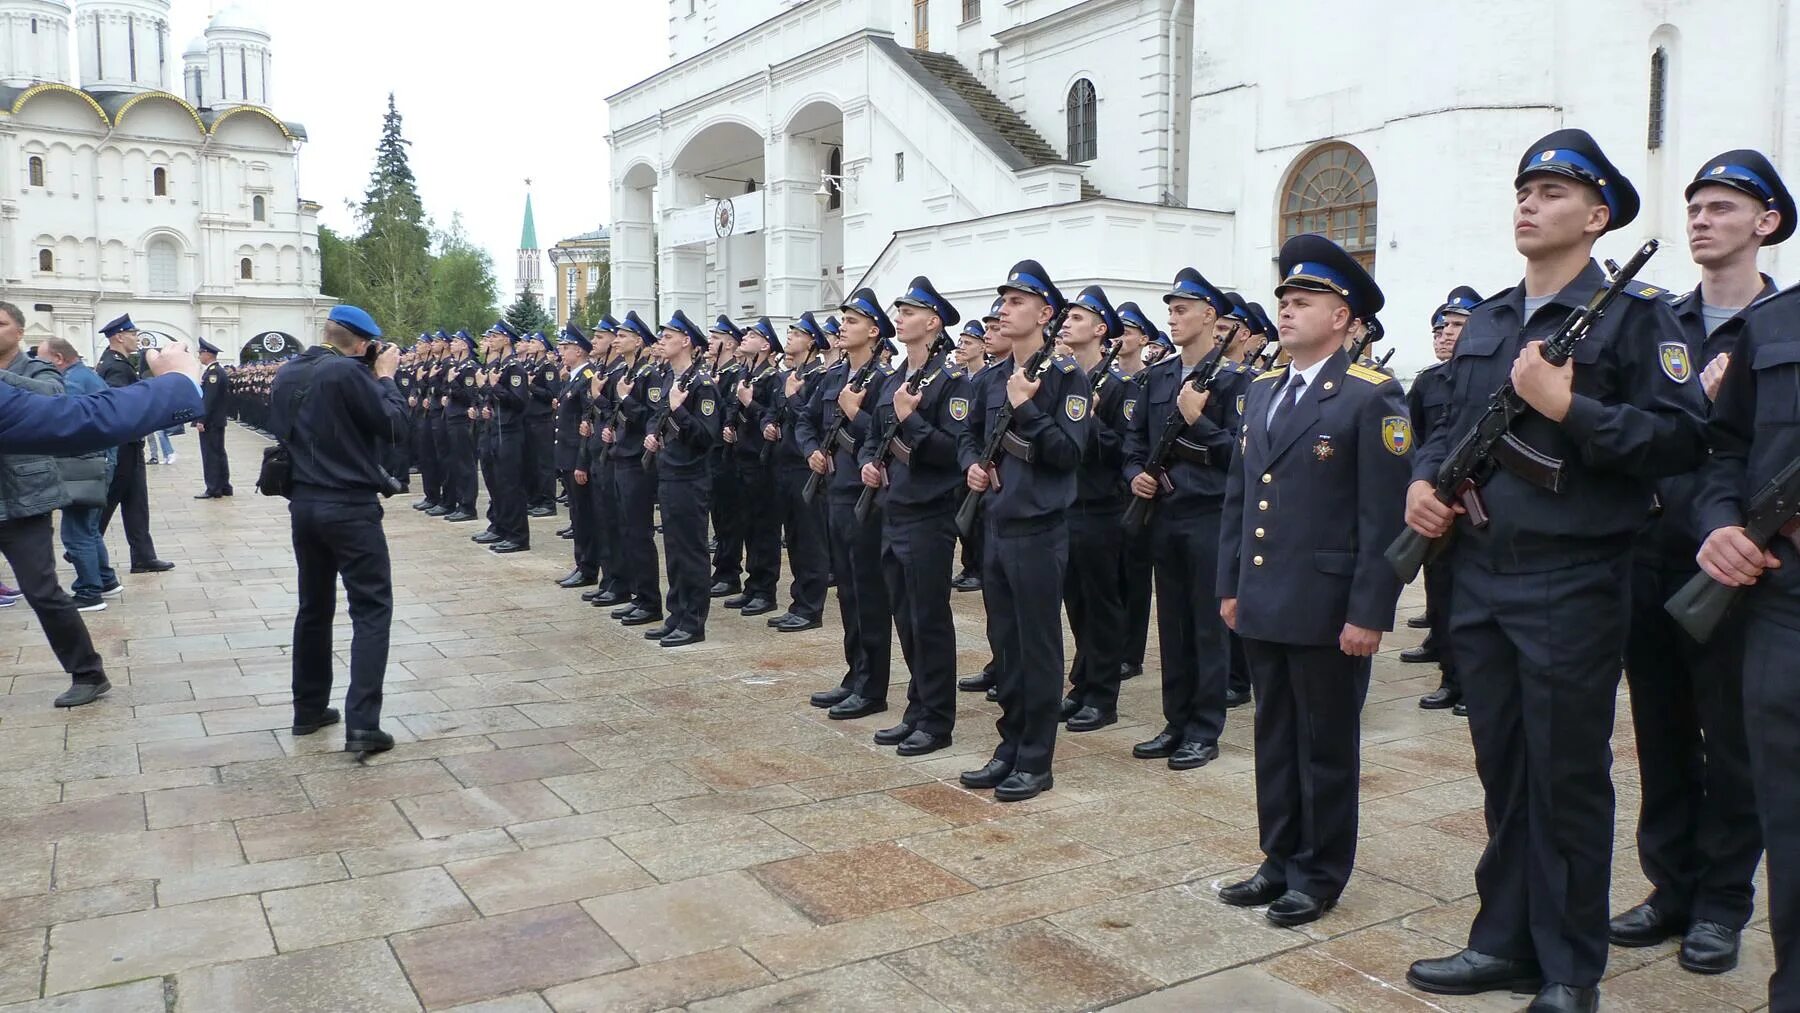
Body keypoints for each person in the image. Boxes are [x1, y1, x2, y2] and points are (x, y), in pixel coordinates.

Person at [1403, 130, 1707, 1013]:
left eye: (1553, 190)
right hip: (1481, 574)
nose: (1529, 203)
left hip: (1575, 576)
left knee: (1566, 773)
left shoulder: (1640, 314)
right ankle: (1504, 939)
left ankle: (1571, 966)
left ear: (1598, 214)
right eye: (1524, 188)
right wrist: (1424, 484)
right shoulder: (1492, 318)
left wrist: (1570, 406)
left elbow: (1683, 438)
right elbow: (1442, 427)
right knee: (1503, 766)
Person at [1612, 150, 1790, 977]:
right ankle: (1670, 886)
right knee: (1660, 730)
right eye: (1694, 208)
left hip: (1737, 568)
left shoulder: (1779, 328)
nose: (1700, 220)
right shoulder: (1657, 322)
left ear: (1766, 223)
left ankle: (1723, 902)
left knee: (1737, 742)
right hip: (1653, 555)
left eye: (1722, 208)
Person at [1217, 233, 1410, 928]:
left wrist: (1370, 612)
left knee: (1324, 744)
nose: (1289, 310)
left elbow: (1385, 517)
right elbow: (1240, 499)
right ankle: (1278, 858)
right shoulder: (1262, 388)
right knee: (1274, 736)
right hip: (1266, 596)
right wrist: (1231, 585)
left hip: (1329, 606)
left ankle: (1320, 870)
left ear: (1343, 316)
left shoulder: (1369, 397)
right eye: (1286, 300)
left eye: (1305, 301)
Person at [1692, 228, 1800, 1013]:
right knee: (1790, 819)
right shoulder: (1775, 321)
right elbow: (1723, 450)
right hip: (1785, 603)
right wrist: (1722, 520)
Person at [958, 259, 1090, 802]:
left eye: (1016, 302)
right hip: (996, 524)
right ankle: (1008, 745)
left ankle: (1036, 759)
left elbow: (1068, 453)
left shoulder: (1065, 379)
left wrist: (1028, 410)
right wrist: (971, 464)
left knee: (1037, 646)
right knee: (1004, 643)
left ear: (1045, 313)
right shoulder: (990, 377)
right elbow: (966, 435)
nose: (1004, 310)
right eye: (1003, 301)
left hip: (1039, 529)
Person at [268, 305, 408, 760]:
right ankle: (363, 725)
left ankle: (308, 709)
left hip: (304, 503)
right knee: (371, 608)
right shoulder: (348, 374)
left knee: (314, 606)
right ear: (363, 344)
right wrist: (385, 377)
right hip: (348, 505)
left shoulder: (289, 371)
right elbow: (392, 425)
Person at [1122, 266, 1242, 772]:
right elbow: (1133, 444)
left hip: (1210, 517)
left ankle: (1204, 728)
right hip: (1165, 514)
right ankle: (1176, 720)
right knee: (1170, 625)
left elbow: (1242, 456)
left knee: (1206, 628)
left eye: (1182, 309)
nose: (1172, 318)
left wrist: (1199, 419)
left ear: (1210, 317)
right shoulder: (1158, 377)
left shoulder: (1238, 383)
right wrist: (1135, 476)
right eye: (1170, 310)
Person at [859, 277, 971, 755]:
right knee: (904, 617)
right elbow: (874, 433)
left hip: (930, 514)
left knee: (929, 619)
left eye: (909, 312)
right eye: (899, 311)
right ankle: (917, 708)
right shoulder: (892, 378)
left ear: (933, 322)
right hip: (893, 509)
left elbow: (952, 452)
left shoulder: (954, 382)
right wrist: (868, 460)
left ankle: (938, 719)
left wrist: (912, 419)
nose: (899, 318)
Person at [0, 305, 117, 708]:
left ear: (19, 331)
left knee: (42, 590)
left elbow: (55, 398)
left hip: (22, 500)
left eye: (0, 324)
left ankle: (88, 673)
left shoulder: (37, 370)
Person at [799, 295, 893, 709]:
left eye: (851, 321)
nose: (842, 326)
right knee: (847, 593)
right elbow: (802, 418)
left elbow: (889, 434)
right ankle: (854, 673)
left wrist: (855, 415)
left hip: (866, 496)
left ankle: (872, 687)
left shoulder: (885, 380)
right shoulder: (832, 375)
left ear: (873, 331)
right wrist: (810, 451)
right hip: (834, 493)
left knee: (868, 592)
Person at [1058, 285, 1131, 732]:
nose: (1067, 323)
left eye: (1078, 318)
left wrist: (1088, 422)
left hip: (1102, 509)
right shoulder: (1065, 379)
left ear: (1100, 330)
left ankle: (1103, 695)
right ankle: (1082, 682)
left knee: (1102, 604)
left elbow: (1124, 451)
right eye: (1066, 317)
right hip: (1067, 504)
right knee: (1076, 602)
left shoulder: (1120, 386)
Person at [1409, 288, 1479, 715]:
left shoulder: (1491, 375)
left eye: (1458, 326)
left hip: (1475, 506)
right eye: (1444, 326)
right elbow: (1417, 437)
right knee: (1443, 594)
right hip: (1437, 503)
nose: (1448, 334)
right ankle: (1451, 679)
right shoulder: (1428, 381)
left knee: (1472, 603)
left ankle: (1474, 686)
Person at [644, 310, 722, 648]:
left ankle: (693, 622)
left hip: (691, 477)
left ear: (686, 341)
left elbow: (707, 437)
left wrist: (680, 410)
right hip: (669, 472)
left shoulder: (702, 385)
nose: (662, 341)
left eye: (668, 336)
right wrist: (653, 436)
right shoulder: (670, 380)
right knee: (674, 550)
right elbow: (658, 419)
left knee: (691, 551)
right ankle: (675, 614)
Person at [0, 336, 204, 454]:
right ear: (120, 337)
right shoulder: (110, 364)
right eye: (132, 333)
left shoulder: (100, 367)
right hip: (110, 444)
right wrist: (179, 382)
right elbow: (73, 418)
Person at [38, 337, 121, 609]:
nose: (39, 366)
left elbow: (65, 423)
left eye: (43, 360)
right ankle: (106, 580)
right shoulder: (88, 376)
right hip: (99, 461)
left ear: (59, 359)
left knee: (76, 532)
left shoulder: (71, 382)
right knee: (89, 528)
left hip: (83, 463)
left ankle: (88, 591)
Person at [763, 313, 831, 633]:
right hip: (784, 464)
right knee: (793, 538)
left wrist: (793, 397)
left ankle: (810, 607)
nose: (789, 337)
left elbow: (814, 420)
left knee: (810, 539)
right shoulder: (790, 374)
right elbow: (774, 413)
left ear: (812, 342)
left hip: (807, 466)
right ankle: (797, 602)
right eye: (789, 332)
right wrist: (768, 426)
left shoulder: (819, 376)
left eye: (797, 333)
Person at [95, 315, 174, 574]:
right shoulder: (116, 366)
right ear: (119, 336)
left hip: (130, 442)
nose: (136, 338)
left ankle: (143, 556)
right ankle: (84, 544)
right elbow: (120, 403)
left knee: (136, 502)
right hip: (123, 443)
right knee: (110, 499)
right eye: (132, 334)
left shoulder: (119, 362)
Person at [603, 311, 665, 626]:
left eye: (623, 336)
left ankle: (650, 601)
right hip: (620, 456)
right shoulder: (626, 373)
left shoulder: (649, 375)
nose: (617, 340)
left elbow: (652, 417)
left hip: (637, 462)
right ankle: (638, 595)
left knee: (639, 532)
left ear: (638, 341)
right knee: (625, 529)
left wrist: (626, 402)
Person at [725, 317, 782, 616]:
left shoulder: (772, 377)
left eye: (754, 335)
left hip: (762, 461)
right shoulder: (746, 372)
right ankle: (752, 585)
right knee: (748, 525)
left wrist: (749, 404)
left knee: (764, 528)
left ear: (766, 345)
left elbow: (771, 420)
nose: (745, 337)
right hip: (742, 457)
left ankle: (765, 589)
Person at [554, 324, 600, 589]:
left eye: (567, 348)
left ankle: (588, 567)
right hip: (567, 456)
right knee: (576, 514)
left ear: (580, 351)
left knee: (584, 516)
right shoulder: (573, 376)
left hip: (578, 458)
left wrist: (582, 462)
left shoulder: (587, 377)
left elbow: (587, 422)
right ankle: (581, 563)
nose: (562, 352)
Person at [706, 316, 747, 598]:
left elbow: (729, 414)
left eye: (716, 337)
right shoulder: (713, 372)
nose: (710, 342)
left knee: (729, 518)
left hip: (729, 456)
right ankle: (721, 566)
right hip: (712, 455)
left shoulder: (735, 374)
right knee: (718, 517)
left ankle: (729, 572)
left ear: (729, 343)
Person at [440, 331, 481, 522]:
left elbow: (468, 396)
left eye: (456, 341)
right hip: (451, 417)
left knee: (465, 464)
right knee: (455, 463)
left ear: (465, 345)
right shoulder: (455, 366)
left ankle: (468, 506)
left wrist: (452, 382)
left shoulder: (469, 367)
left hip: (462, 419)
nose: (452, 344)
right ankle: (459, 502)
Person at [193, 337, 233, 499]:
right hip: (216, 420)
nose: (199, 356)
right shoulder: (215, 370)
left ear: (207, 354)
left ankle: (213, 488)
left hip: (211, 421)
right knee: (218, 453)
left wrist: (201, 419)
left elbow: (209, 398)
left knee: (211, 455)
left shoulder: (213, 372)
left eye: (200, 353)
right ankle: (224, 486)